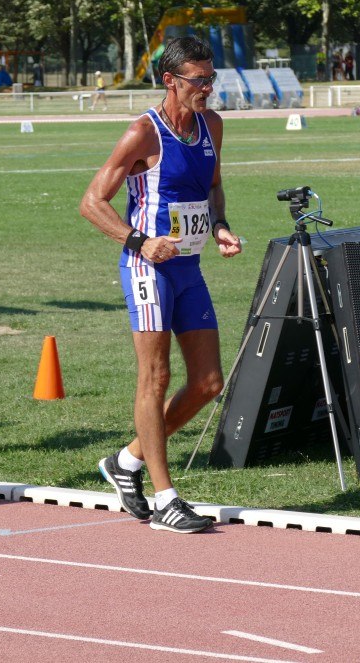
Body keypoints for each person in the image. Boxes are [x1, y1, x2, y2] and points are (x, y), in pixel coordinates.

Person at [80, 37, 242, 534]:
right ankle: (165, 496)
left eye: (211, 79)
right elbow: (91, 202)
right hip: (147, 268)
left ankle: (126, 462)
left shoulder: (212, 126)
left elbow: (212, 184)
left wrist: (218, 226)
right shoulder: (141, 134)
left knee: (209, 383)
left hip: (188, 268)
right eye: (198, 81)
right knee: (155, 379)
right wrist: (140, 242)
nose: (207, 89)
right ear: (170, 80)